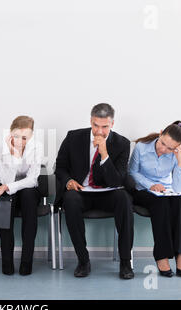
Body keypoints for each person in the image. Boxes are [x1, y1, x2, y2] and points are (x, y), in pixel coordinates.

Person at [55, 103, 134, 280]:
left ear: (112, 124)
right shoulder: (73, 137)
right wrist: (68, 181)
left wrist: (104, 154)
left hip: (107, 193)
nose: (99, 131)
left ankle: (125, 262)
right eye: (96, 125)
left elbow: (117, 181)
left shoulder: (122, 144)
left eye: (104, 127)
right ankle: (83, 261)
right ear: (91, 121)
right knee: (70, 200)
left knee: (124, 198)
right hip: (81, 192)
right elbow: (59, 167)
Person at [129, 120, 181, 277]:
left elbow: (178, 188)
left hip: (166, 191)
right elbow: (132, 173)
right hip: (143, 191)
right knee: (160, 204)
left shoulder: (175, 155)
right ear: (161, 133)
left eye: (170, 148)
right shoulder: (141, 148)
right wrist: (151, 185)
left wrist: (180, 162)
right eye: (163, 143)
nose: (163, 149)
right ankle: (162, 256)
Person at [0, 116, 43, 276]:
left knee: (28, 197)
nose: (20, 141)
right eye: (17, 136)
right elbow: (5, 179)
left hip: (28, 189)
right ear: (11, 133)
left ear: (31, 136)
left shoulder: (36, 147)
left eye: (25, 137)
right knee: (5, 202)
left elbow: (32, 179)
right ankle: (7, 262)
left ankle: (26, 262)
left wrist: (6, 187)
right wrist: (15, 155)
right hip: (6, 186)